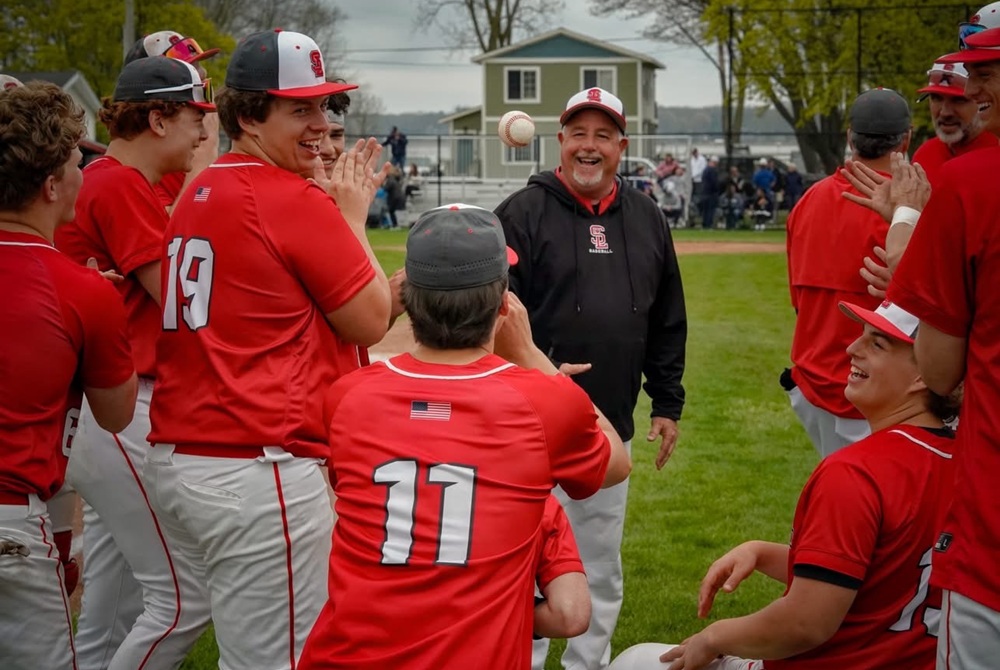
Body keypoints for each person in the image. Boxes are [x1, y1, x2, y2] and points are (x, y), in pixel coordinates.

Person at [143, 30, 391, 669]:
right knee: (281, 660)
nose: (320, 125)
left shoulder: (201, 187)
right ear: (249, 115)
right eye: (299, 108)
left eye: (325, 107)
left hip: (187, 452)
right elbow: (370, 322)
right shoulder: (290, 197)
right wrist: (353, 219)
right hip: (255, 463)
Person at [299, 204, 630, 669]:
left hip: (344, 656)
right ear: (502, 305)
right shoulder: (540, 402)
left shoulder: (349, 395)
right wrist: (533, 356)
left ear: (409, 297)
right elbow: (616, 463)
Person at [611, 300, 959, 670]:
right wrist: (762, 552)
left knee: (635, 662)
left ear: (925, 374)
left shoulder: (857, 472)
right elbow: (884, 573)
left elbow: (805, 623)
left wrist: (714, 637)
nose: (851, 349)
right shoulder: (967, 463)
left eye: (877, 344)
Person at [495, 86, 688, 670]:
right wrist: (536, 367)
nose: (589, 145)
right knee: (520, 562)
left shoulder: (647, 216)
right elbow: (492, 314)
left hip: (608, 427)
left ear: (621, 147)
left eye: (603, 135)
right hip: (523, 427)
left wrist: (667, 402)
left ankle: (588, 664)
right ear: (560, 142)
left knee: (598, 563)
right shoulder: (521, 213)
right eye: (579, 132)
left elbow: (667, 316)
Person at [53, 56, 215, 670]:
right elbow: (184, 304)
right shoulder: (118, 182)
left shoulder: (114, 180)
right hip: (117, 408)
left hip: (96, 407)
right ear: (156, 117)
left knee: (115, 602)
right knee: (184, 598)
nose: (203, 133)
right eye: (194, 117)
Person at [0, 81, 137, 670]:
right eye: (77, 161)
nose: (86, 170)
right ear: (52, 186)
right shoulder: (79, 289)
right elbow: (116, 412)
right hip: (10, 516)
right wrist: (95, 320)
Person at [887, 24, 1000, 669]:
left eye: (985, 73)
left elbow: (937, 367)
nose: (969, 89)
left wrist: (906, 245)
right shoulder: (941, 165)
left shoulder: (970, 181)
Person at [783, 88, 911, 457]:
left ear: (850, 137)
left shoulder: (810, 200)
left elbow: (798, 302)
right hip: (877, 394)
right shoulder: (908, 212)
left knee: (837, 494)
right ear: (906, 139)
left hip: (811, 384)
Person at [123, 30, 222, 211]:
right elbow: (169, 235)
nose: (204, 99)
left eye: (203, 83)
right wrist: (202, 162)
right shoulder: (139, 165)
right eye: (193, 85)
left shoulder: (181, 155)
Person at [911, 60, 998, 185]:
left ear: (981, 100)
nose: (945, 112)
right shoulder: (924, 155)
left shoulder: (995, 151)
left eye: (959, 100)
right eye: (936, 98)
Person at [699, 155, 720, 229]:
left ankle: (705, 224)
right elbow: (714, 183)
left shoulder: (705, 170)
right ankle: (708, 225)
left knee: (705, 211)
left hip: (704, 193)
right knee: (710, 210)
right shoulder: (712, 170)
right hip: (711, 194)